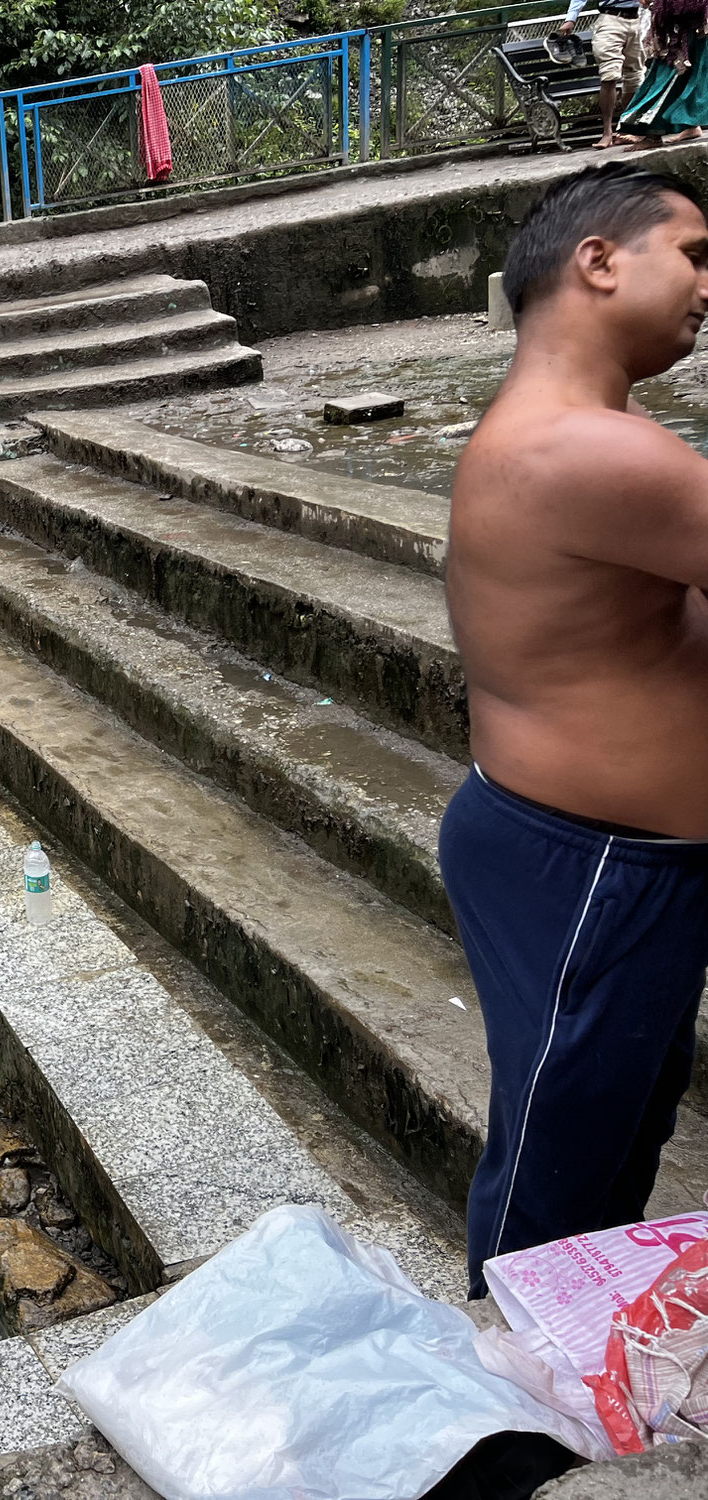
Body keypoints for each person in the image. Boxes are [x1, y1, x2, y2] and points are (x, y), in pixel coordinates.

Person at [442, 162, 708, 1298]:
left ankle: (568, 1367)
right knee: (558, 1165)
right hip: (593, 867)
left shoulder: (571, 433)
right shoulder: (586, 450)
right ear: (598, 261)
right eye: (693, 256)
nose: (706, 286)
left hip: (598, 858)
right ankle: (503, 1426)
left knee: (602, 1139)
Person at [616, 0, 708, 146]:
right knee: (671, 77)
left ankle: (652, 133)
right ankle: (687, 127)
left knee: (671, 78)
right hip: (679, 31)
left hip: (691, 28)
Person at [559, 0, 646, 149]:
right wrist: (571, 19)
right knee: (609, 75)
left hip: (639, 19)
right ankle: (607, 132)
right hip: (610, 19)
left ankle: (627, 129)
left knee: (634, 78)